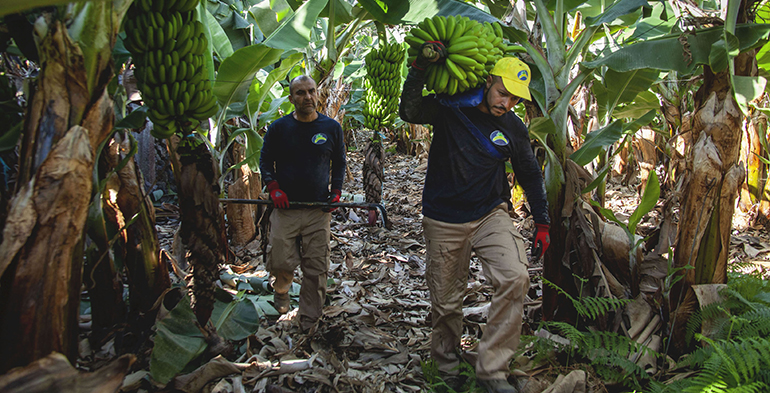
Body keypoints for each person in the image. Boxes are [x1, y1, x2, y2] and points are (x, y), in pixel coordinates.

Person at [399, 43, 551, 393]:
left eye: (515, 99)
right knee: (447, 300)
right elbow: (409, 111)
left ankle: (492, 370)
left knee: (515, 277)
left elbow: (529, 173)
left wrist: (541, 221)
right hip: (444, 217)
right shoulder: (451, 107)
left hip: (489, 214)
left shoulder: (513, 127)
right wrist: (419, 69)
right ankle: (446, 363)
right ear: (487, 81)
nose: (507, 104)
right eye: (503, 93)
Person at [259, 74, 346, 332]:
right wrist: (273, 188)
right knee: (281, 261)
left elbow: (339, 162)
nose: (307, 97)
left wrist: (337, 192)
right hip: (285, 209)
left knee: (316, 267)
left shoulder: (331, 128)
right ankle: (282, 288)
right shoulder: (278, 128)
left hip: (318, 210)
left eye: (311, 91)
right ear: (291, 98)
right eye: (300, 93)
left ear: (317, 94)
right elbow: (265, 161)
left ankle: (309, 320)